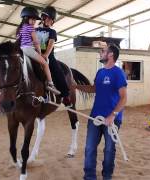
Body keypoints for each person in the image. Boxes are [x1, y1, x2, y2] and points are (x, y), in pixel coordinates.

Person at [76, 44, 128, 180]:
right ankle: (89, 176)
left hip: (112, 119)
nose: (100, 52)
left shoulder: (118, 73)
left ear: (110, 55)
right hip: (95, 117)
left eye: (103, 51)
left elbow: (123, 98)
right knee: (89, 148)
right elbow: (94, 89)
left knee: (109, 150)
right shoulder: (100, 72)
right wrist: (75, 86)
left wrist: (113, 115)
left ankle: (107, 176)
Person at [17, 6, 60, 95]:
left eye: (34, 20)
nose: (34, 22)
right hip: (28, 49)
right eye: (32, 20)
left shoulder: (20, 28)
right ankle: (51, 84)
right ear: (26, 18)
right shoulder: (32, 29)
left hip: (21, 49)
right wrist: (40, 53)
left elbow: (19, 40)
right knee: (45, 63)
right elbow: (36, 42)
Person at [35, 6, 71, 105]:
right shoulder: (35, 30)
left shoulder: (52, 32)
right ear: (43, 17)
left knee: (57, 71)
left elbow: (51, 44)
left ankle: (65, 94)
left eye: (52, 20)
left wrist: (46, 55)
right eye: (48, 18)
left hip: (48, 55)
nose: (50, 21)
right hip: (36, 54)